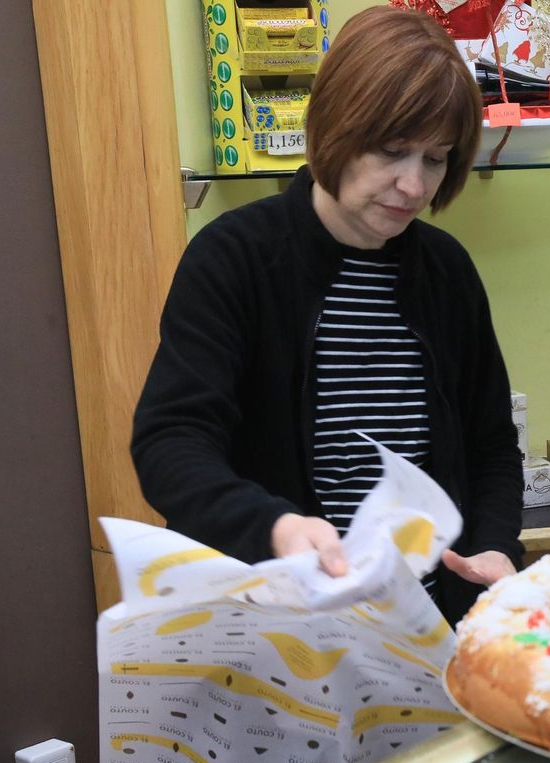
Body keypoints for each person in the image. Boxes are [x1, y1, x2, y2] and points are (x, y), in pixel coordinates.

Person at [132, 6, 522, 623]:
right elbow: (170, 442)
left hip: (427, 628)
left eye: (436, 158)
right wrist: (275, 526)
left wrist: (497, 547)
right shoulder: (235, 258)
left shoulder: (447, 272)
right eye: (392, 151)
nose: (413, 185)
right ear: (334, 127)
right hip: (281, 629)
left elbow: (492, 445)